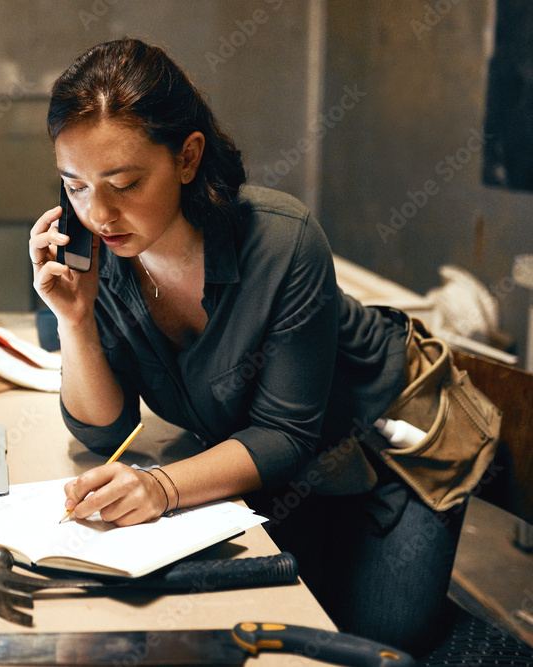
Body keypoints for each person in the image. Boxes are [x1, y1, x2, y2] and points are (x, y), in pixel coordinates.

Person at [29, 38, 464, 654]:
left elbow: (286, 433)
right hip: (286, 455)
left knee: (379, 641)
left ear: (188, 157)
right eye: (75, 186)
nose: (98, 212)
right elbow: (106, 431)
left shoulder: (282, 239)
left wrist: (160, 488)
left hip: (397, 432)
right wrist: (74, 319)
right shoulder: (106, 258)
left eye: (124, 182)